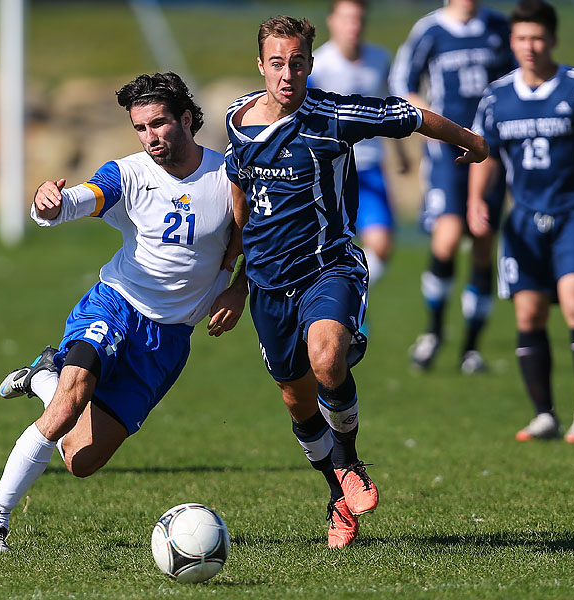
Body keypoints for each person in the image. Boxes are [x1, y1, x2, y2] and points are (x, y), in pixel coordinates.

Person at [224, 16, 487, 548]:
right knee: (296, 402)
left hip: (329, 267)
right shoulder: (236, 120)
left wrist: (470, 142)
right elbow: (239, 202)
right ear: (260, 65)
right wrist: (237, 282)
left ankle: (348, 460)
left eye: (297, 62)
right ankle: (336, 496)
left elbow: (408, 115)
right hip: (269, 285)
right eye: (277, 63)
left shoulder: (331, 114)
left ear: (310, 64)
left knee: (327, 359)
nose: (287, 74)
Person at [0, 72, 247, 552]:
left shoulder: (228, 177)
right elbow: (85, 197)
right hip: (115, 306)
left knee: (82, 460)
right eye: (140, 128)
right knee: (68, 405)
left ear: (186, 118)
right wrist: (49, 204)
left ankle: (41, 376)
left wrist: (238, 288)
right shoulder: (130, 173)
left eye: (159, 124)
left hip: (169, 340)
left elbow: (254, 240)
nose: (150, 138)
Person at [467, 0, 574, 443]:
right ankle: (544, 414)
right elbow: (481, 152)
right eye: (522, 38)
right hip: (523, 219)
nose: (530, 47)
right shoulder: (496, 96)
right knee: (529, 314)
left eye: (538, 38)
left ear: (553, 40)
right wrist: (476, 201)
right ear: (512, 42)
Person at [390, 0, 515, 374]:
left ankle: (471, 349)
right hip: (446, 154)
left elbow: (516, 80)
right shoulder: (430, 30)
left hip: (490, 152)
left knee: (482, 240)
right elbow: (402, 83)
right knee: (446, 237)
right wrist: (430, 122)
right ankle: (433, 333)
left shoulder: (498, 26)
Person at [308, 0, 410, 324]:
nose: (354, 25)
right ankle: (330, 310)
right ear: (332, 21)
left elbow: (390, 108)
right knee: (330, 250)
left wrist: (402, 153)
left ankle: (349, 300)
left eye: (359, 19)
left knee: (380, 246)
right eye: (347, 18)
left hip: (369, 169)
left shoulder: (380, 59)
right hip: (330, 173)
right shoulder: (319, 65)